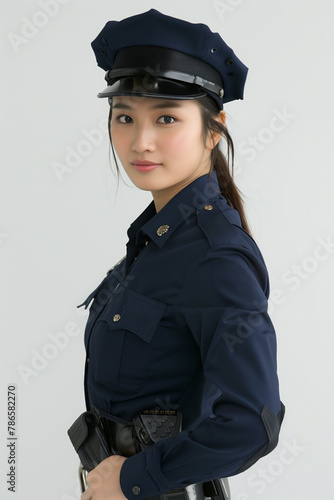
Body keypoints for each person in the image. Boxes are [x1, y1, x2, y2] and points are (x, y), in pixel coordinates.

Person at [77, 9, 285, 500]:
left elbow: (253, 424)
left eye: (166, 117)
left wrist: (131, 480)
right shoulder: (157, 240)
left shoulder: (216, 259)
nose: (140, 141)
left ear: (214, 130)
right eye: (125, 116)